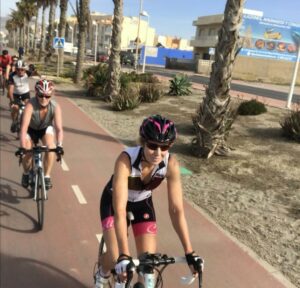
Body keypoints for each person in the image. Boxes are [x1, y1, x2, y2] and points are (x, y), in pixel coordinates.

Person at [94, 115, 202, 288]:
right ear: (143, 142)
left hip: (142, 203)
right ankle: (102, 272)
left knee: (149, 264)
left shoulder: (171, 164)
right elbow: (120, 210)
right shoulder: (126, 160)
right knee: (116, 258)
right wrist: (124, 254)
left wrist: (189, 252)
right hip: (114, 203)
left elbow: (176, 210)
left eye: (164, 147)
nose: (158, 153)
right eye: (152, 146)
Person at [17, 79, 64, 190]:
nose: (44, 99)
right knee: (27, 152)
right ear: (36, 93)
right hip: (30, 129)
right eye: (41, 95)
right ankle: (26, 173)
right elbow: (23, 129)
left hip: (44, 129)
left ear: (51, 96)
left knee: (51, 147)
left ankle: (47, 176)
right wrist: (23, 147)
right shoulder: (30, 105)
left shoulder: (55, 107)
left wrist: (60, 145)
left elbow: (59, 129)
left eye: (47, 96)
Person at [8, 60, 39, 133]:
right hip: (15, 94)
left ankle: (25, 123)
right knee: (15, 108)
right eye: (18, 69)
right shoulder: (12, 76)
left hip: (25, 93)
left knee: (27, 108)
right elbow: (10, 90)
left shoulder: (27, 73)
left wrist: (37, 73)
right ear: (15, 69)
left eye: (22, 69)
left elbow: (34, 73)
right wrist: (12, 101)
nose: (20, 71)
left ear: (25, 69)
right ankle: (14, 121)